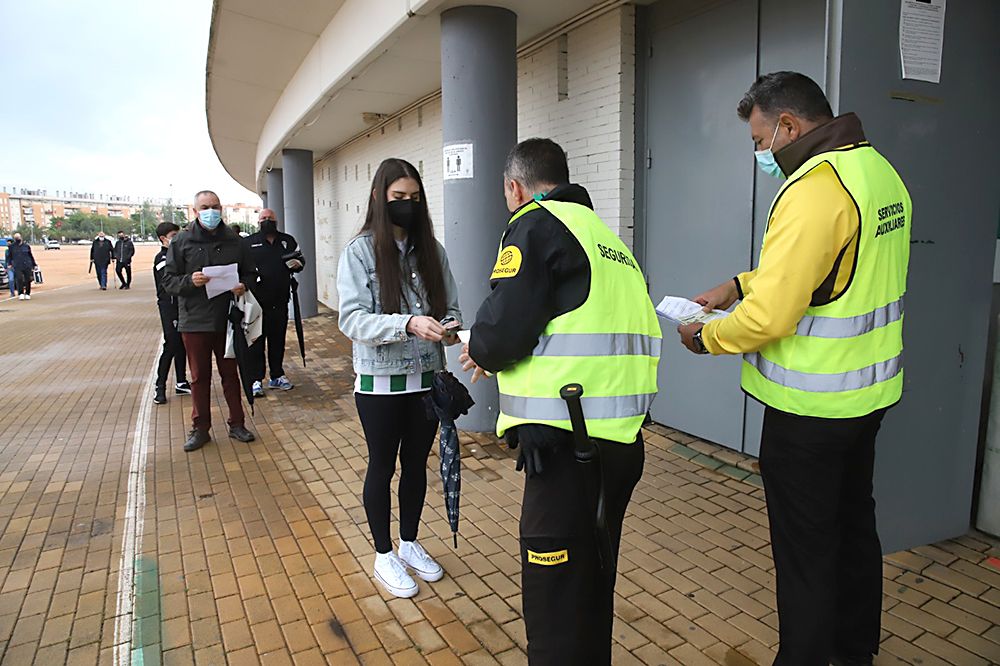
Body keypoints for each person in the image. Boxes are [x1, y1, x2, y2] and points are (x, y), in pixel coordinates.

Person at [677, 72, 910, 666]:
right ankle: (855, 652)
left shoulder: (812, 188)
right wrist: (736, 285)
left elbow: (773, 317)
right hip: (868, 400)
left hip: (809, 414)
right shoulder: (878, 172)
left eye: (759, 140)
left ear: (788, 125)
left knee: (806, 554)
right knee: (856, 534)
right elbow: (830, 273)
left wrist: (705, 338)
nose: (760, 153)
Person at [458, 138, 661, 665]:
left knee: (552, 605)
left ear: (514, 187)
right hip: (618, 444)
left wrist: (479, 345)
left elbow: (499, 334)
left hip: (567, 449)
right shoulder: (605, 238)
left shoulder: (535, 223)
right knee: (591, 589)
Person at [337, 158, 462, 599]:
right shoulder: (359, 253)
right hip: (379, 385)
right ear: (378, 198)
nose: (407, 206)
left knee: (416, 466)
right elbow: (351, 320)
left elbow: (453, 308)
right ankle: (383, 552)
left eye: (414, 199)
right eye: (398, 199)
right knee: (382, 465)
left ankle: (409, 543)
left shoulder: (433, 251)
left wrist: (448, 327)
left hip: (427, 381)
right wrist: (407, 323)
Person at [162, 190, 257, 452]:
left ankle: (237, 423)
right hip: (194, 321)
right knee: (199, 377)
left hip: (227, 318)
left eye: (215, 206)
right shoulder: (181, 242)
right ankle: (200, 428)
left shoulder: (235, 240)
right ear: (195, 211)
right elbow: (168, 281)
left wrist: (243, 285)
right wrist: (188, 281)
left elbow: (250, 273)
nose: (211, 211)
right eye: (205, 207)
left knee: (230, 375)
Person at [244, 208, 305, 397]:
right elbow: (241, 269)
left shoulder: (287, 241)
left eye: (270, 218)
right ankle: (255, 379)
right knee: (256, 343)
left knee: (277, 341)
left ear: (276, 220)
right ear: (258, 221)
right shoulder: (248, 243)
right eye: (263, 218)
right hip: (256, 303)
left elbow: (301, 261)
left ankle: (277, 375)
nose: (267, 220)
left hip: (280, 301)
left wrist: (298, 265)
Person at [152, 222, 191, 405]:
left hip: (183, 306)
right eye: (174, 235)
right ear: (163, 238)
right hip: (169, 307)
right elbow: (172, 281)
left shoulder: (179, 255)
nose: (177, 238)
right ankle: (159, 386)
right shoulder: (162, 259)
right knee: (172, 344)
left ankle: (181, 381)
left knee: (182, 343)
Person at [8, 233, 37, 301]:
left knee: (28, 279)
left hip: (27, 265)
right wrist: (9, 264)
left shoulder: (26, 246)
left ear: (21, 237)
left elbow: (30, 256)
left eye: (18, 237)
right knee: (19, 279)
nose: (17, 239)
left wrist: (34, 264)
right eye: (16, 238)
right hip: (17, 265)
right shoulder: (12, 247)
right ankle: (20, 293)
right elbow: (9, 256)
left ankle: (27, 293)